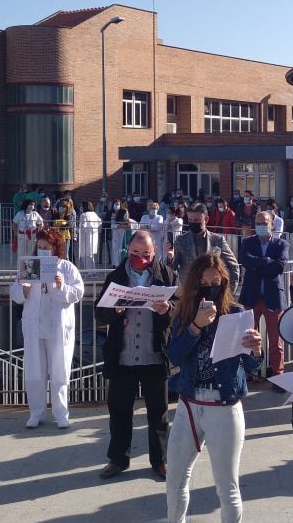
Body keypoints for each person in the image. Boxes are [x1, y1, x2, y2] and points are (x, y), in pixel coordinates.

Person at [137, 253, 262, 523]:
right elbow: (175, 355)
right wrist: (194, 326)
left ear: (223, 282)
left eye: (215, 282)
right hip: (190, 404)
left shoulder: (237, 313)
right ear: (194, 285)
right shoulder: (184, 313)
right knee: (177, 474)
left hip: (225, 405)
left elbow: (251, 365)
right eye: (203, 283)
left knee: (226, 483)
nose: (209, 288)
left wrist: (256, 349)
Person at [95, 230, 176, 479]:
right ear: (128, 251)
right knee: (119, 411)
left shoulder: (167, 275)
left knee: (158, 412)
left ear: (154, 253)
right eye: (135, 253)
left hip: (154, 354)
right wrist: (114, 311)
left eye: (146, 254)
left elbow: (180, 308)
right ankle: (118, 459)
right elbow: (99, 314)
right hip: (123, 355)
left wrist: (167, 309)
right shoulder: (116, 276)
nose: (140, 258)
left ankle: (160, 459)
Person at [9, 229, 84, 429]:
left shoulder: (66, 268)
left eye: (46, 247)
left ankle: (61, 413)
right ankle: (36, 412)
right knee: (35, 370)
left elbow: (78, 293)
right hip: (34, 325)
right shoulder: (31, 266)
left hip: (58, 326)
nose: (42, 250)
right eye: (40, 247)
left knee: (59, 370)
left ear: (55, 248)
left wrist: (61, 286)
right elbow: (15, 293)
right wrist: (23, 288)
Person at [238, 211, 289, 381]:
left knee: (275, 341)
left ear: (272, 224)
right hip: (252, 296)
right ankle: (247, 373)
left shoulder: (282, 244)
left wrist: (258, 263)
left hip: (273, 298)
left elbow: (280, 266)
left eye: (264, 223)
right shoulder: (247, 242)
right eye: (258, 223)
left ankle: (278, 376)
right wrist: (267, 262)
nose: (261, 226)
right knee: (248, 338)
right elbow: (245, 259)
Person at [171, 203, 240, 291]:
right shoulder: (181, 240)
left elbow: (233, 265)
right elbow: (173, 268)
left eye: (196, 220)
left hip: (212, 290)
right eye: (190, 220)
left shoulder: (218, 240)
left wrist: (229, 292)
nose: (193, 223)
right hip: (189, 291)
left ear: (206, 219)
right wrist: (170, 258)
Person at [76, 201, 102, 270]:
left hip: (85, 236)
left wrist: (78, 230)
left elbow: (83, 225)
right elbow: (100, 221)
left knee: (85, 255)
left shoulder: (83, 215)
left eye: (81, 206)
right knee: (90, 255)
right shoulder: (94, 214)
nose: (80, 207)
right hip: (93, 236)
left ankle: (89, 272)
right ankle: (92, 271)